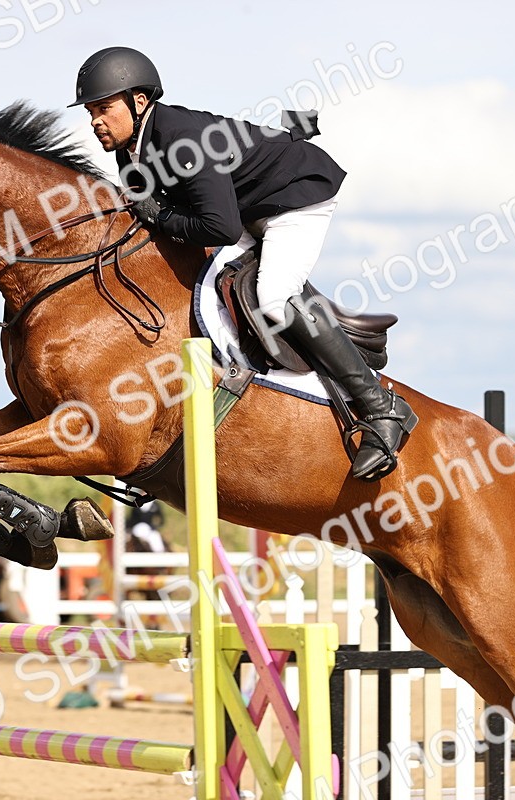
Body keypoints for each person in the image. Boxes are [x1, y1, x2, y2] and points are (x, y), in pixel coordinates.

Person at [69, 47, 418, 482]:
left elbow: (217, 226)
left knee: (273, 299)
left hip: (294, 198)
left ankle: (380, 407)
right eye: (90, 112)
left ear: (139, 102)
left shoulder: (180, 138)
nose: (95, 121)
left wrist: (158, 216)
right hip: (248, 208)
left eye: (103, 109)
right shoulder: (131, 151)